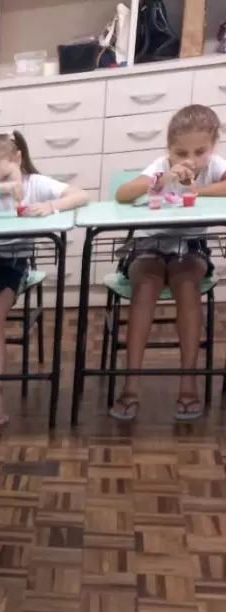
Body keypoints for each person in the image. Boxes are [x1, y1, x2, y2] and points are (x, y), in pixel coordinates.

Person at [0, 132, 89, 429]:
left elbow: (81, 195)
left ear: (18, 159)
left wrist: (51, 207)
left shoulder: (36, 184)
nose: (1, 186)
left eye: (5, 176)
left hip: (12, 265)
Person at [113, 104, 226, 422]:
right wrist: (161, 180)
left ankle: (188, 383)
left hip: (190, 248)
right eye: (181, 152)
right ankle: (131, 385)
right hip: (148, 245)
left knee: (187, 288)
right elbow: (123, 194)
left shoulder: (215, 166)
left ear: (212, 147)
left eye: (200, 151)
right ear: (169, 149)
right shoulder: (161, 166)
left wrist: (199, 190)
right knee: (145, 290)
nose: (191, 159)